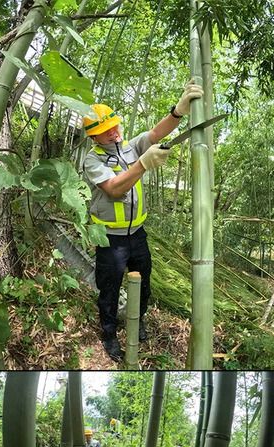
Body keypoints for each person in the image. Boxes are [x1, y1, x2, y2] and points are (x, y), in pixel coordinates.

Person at [82, 80, 204, 361]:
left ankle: (139, 320)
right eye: (104, 131)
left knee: (144, 283)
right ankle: (110, 333)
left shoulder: (129, 147)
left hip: (137, 235)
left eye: (114, 126)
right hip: (110, 239)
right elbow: (114, 189)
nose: (113, 132)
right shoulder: (93, 160)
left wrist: (178, 112)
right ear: (94, 137)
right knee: (109, 289)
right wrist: (144, 164)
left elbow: (155, 133)